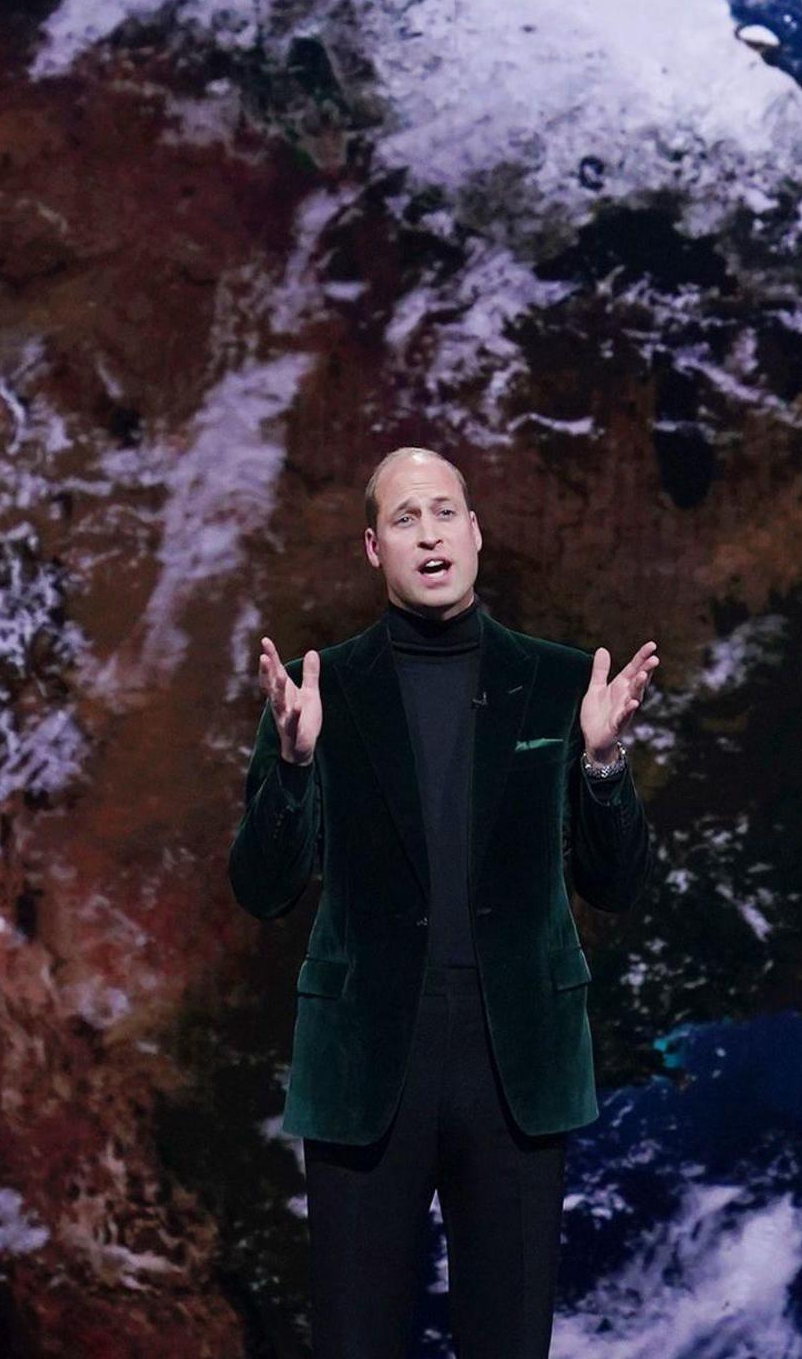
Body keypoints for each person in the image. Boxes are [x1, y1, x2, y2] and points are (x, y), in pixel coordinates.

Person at [230, 446, 659, 1359]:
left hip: (517, 1071)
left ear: (475, 532)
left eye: (443, 513)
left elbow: (616, 886)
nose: (428, 534)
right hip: (366, 1067)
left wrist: (605, 765)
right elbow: (262, 890)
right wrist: (295, 767)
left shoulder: (557, 680)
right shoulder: (321, 692)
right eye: (403, 519)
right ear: (372, 549)